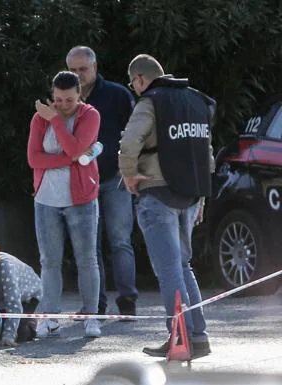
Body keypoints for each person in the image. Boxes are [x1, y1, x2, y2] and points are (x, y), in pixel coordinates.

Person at [118, 54, 215, 358]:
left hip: (157, 193)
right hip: (188, 195)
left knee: (168, 269)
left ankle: (179, 336)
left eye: (133, 82)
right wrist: (200, 198)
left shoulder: (150, 102)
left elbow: (129, 142)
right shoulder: (196, 101)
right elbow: (206, 155)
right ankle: (197, 336)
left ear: (140, 79)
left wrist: (130, 175)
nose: (134, 88)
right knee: (183, 266)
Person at [27, 71, 102, 338]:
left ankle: (92, 317)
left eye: (69, 100)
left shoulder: (90, 115)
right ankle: (51, 317)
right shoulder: (40, 117)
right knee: (49, 261)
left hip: (80, 198)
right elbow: (34, 159)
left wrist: (57, 122)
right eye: (57, 100)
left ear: (79, 95)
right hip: (46, 199)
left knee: (86, 259)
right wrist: (70, 159)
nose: (62, 105)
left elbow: (75, 149)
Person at [66, 46, 138, 316]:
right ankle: (95, 305)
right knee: (88, 245)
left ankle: (128, 302)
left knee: (120, 241)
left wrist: (130, 170)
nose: (78, 75)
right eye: (72, 70)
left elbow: (135, 134)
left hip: (115, 178)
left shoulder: (118, 95)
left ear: (95, 68)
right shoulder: (64, 100)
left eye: (83, 69)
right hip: (83, 181)